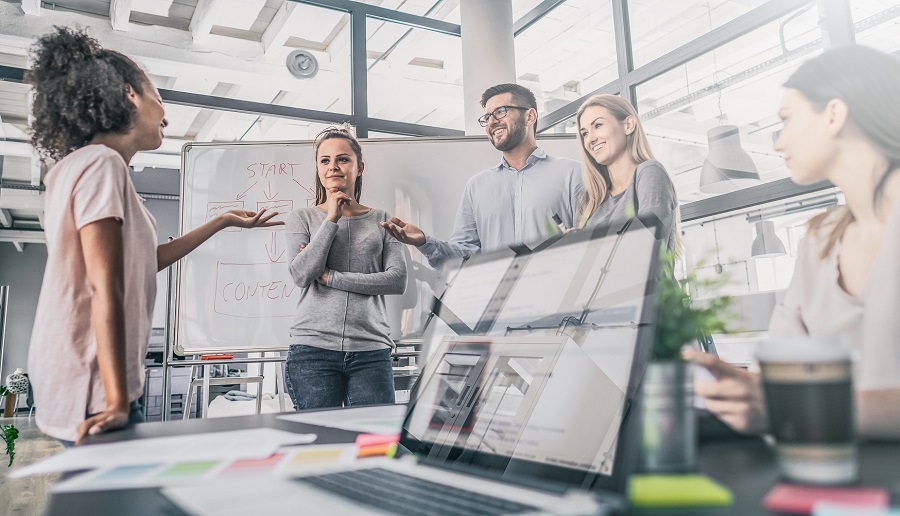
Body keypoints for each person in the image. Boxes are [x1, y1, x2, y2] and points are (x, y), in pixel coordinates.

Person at [25, 27, 281, 446]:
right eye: (157, 97)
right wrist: (117, 398)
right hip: (96, 384)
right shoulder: (101, 164)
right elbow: (103, 286)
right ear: (129, 95)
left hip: (82, 377)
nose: (166, 115)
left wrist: (221, 222)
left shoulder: (82, 166)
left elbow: (145, 261)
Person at [685, 45, 900, 440]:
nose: (778, 144)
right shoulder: (819, 239)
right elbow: (781, 369)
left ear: (834, 114)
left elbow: (791, 401)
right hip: (830, 478)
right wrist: (743, 392)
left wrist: (796, 407)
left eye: (786, 120)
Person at [382, 83, 583, 268]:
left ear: (530, 116)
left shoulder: (572, 174)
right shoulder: (477, 186)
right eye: (487, 117)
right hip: (499, 303)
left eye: (501, 111)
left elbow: (597, 244)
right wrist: (425, 242)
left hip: (558, 300)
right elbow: (465, 255)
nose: (492, 122)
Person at [284, 125, 407, 410]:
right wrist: (331, 219)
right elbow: (302, 274)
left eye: (343, 159)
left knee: (374, 443)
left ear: (359, 166)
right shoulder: (301, 218)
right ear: (317, 168)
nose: (333, 167)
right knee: (321, 446)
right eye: (325, 160)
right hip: (312, 351)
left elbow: (396, 280)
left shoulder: (382, 219)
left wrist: (332, 276)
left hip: (371, 350)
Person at [576, 94, 680, 252]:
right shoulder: (590, 201)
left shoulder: (649, 173)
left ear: (628, 125)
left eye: (597, 125)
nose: (590, 139)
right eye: (585, 133)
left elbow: (646, 246)